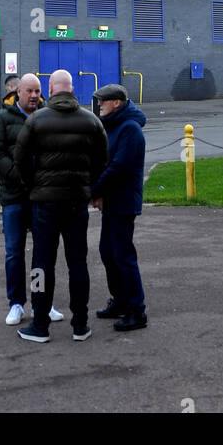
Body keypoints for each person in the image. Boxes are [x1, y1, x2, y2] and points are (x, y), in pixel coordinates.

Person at [13, 68, 108, 344]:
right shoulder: (91, 121)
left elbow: (20, 158)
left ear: (50, 91)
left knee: (41, 264)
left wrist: (33, 185)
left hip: (44, 204)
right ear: (72, 90)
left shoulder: (36, 121)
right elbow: (102, 159)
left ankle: (40, 324)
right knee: (78, 263)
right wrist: (88, 187)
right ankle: (81, 324)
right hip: (76, 202)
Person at [0, 73, 66, 327]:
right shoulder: (2, 117)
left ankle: (42, 302)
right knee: (14, 253)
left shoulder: (47, 116)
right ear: (17, 92)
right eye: (29, 91)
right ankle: (16, 303)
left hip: (42, 197)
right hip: (14, 197)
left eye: (37, 91)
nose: (34, 96)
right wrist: (20, 176)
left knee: (42, 254)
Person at [90, 83, 147, 332]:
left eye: (103, 100)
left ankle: (137, 310)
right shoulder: (114, 126)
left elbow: (119, 168)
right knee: (107, 252)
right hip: (112, 200)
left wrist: (93, 191)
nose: (99, 104)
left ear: (117, 103)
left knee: (123, 256)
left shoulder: (130, 129)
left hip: (123, 201)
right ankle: (121, 301)